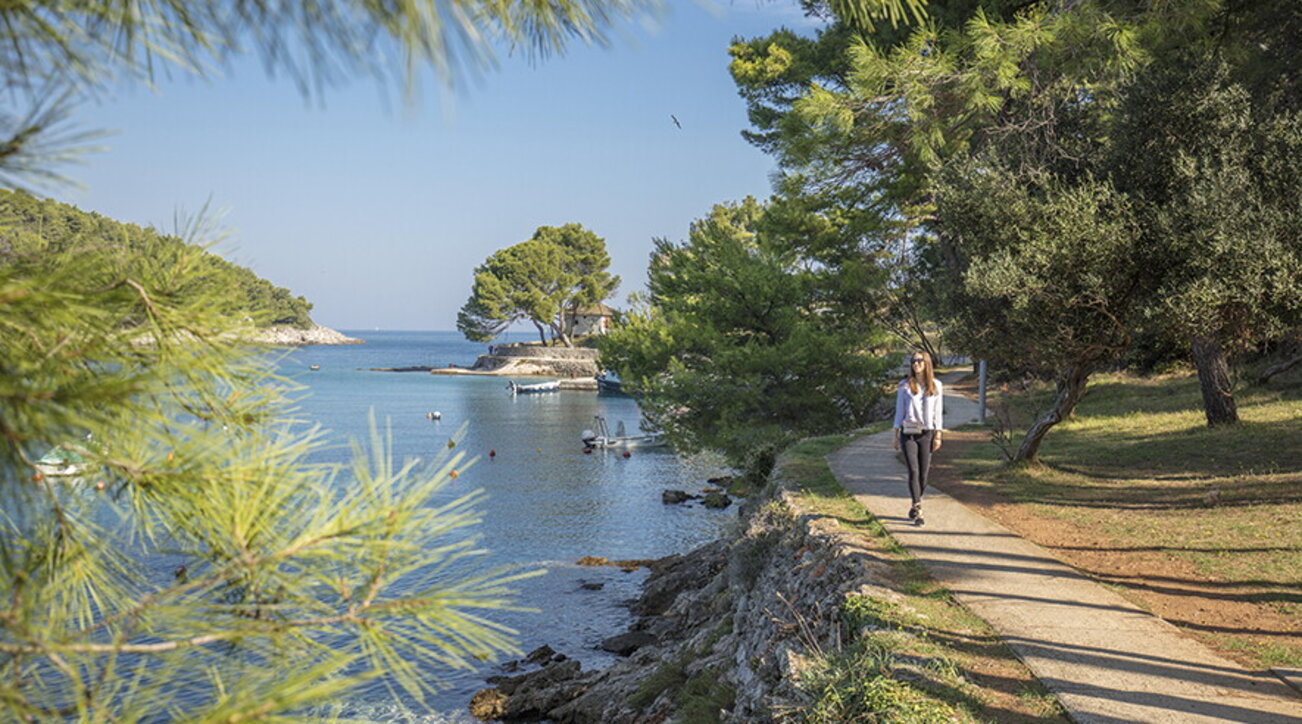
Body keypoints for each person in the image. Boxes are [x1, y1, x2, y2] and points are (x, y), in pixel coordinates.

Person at [893, 350, 943, 526]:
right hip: (909, 433)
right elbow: (899, 411)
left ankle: (916, 500)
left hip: (927, 433)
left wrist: (938, 434)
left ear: (926, 363)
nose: (916, 364)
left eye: (920, 361)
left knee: (923, 474)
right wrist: (895, 435)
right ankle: (918, 507)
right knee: (913, 471)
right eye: (913, 361)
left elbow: (938, 412)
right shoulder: (905, 386)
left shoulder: (936, 385)